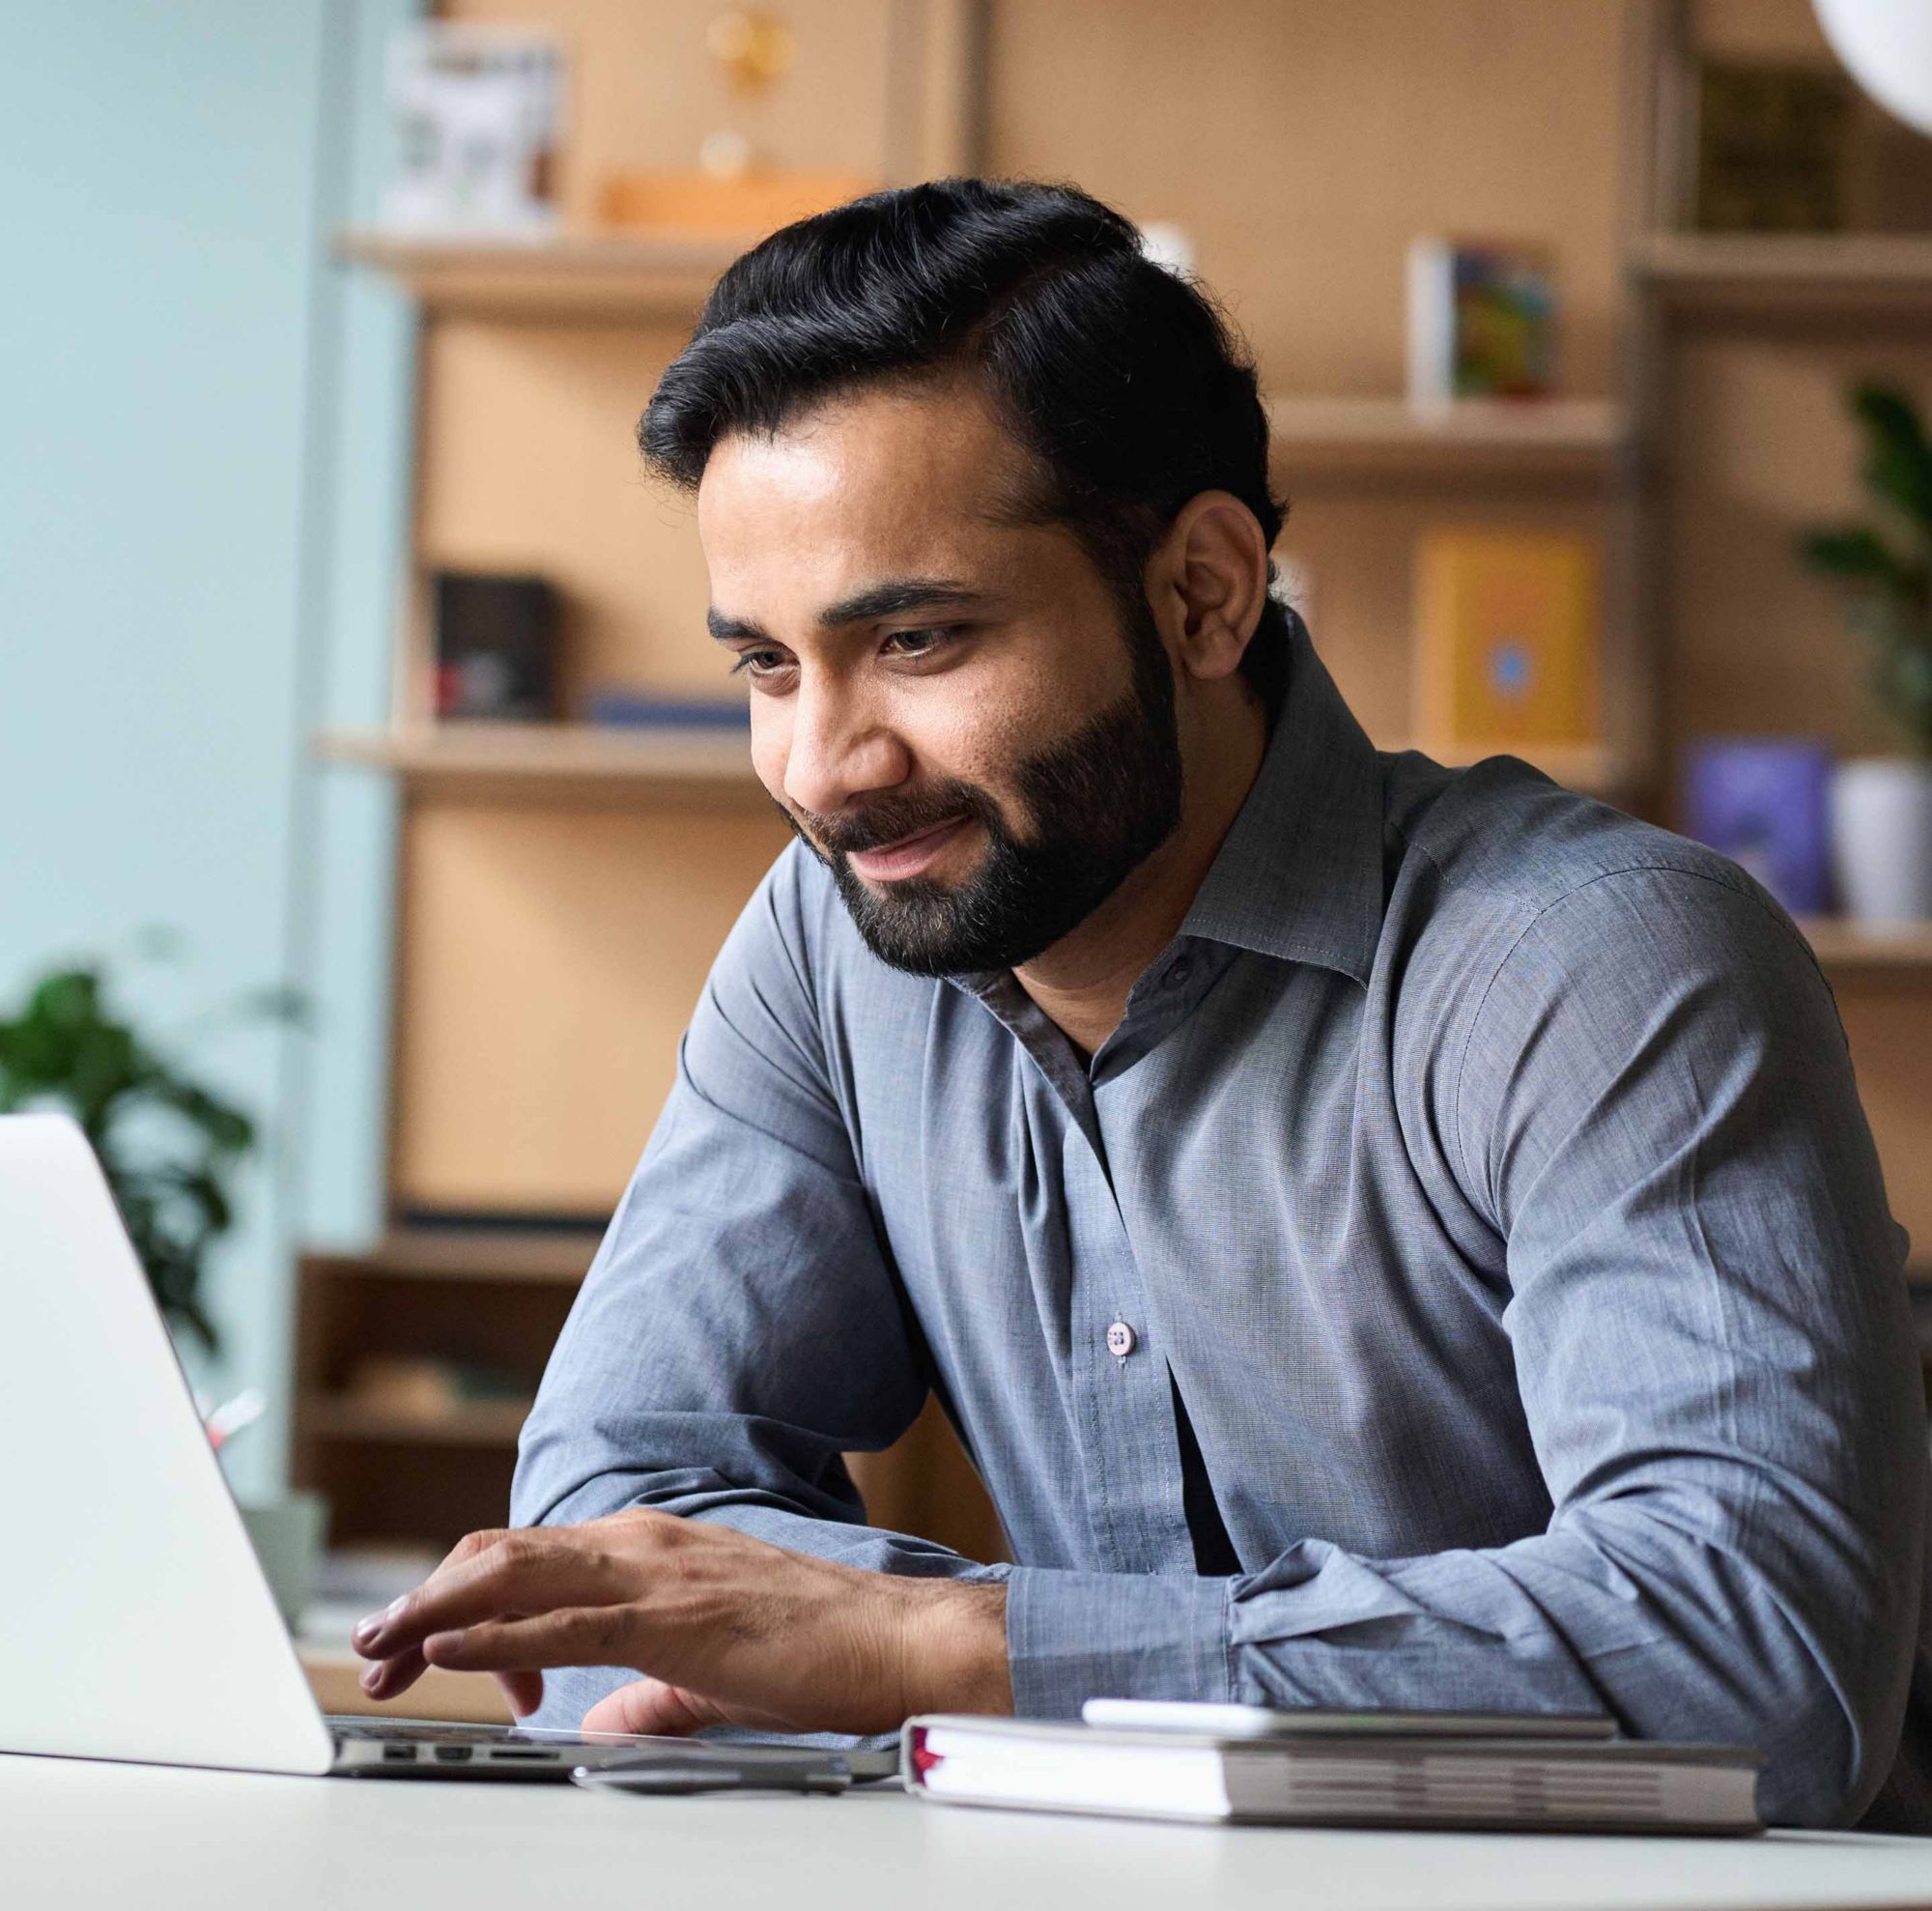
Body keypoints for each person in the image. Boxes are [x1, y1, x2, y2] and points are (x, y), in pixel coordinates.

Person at [352, 178, 1930, 1828]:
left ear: (1204, 592)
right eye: (766, 665)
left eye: (919, 639)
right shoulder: (834, 945)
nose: (823, 768)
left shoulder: (1596, 962)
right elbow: (611, 1523)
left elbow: (1758, 1659)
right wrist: (873, 1646)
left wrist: (952, 1646)